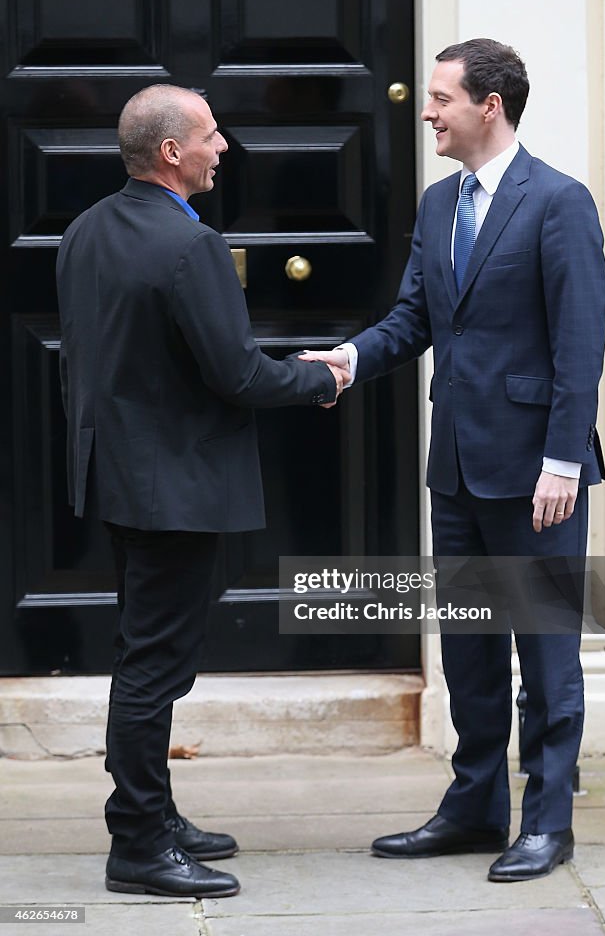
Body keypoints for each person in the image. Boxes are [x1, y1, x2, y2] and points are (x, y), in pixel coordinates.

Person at [301, 39, 605, 882]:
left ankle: (547, 821)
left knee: (545, 654)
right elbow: (414, 319)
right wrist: (348, 360)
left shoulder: (557, 203)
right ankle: (474, 807)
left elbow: (579, 349)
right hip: (458, 471)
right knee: (471, 650)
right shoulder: (439, 205)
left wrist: (562, 461)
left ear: (489, 106)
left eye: (439, 98)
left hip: (537, 477)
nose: (427, 112)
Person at [56, 84, 349, 898]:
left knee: (147, 653)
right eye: (212, 136)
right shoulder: (190, 247)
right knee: (154, 664)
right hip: (173, 487)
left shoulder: (84, 230)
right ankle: (139, 843)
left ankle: (155, 814)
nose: (224, 148)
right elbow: (239, 375)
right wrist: (318, 379)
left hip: (117, 476)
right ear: (172, 153)